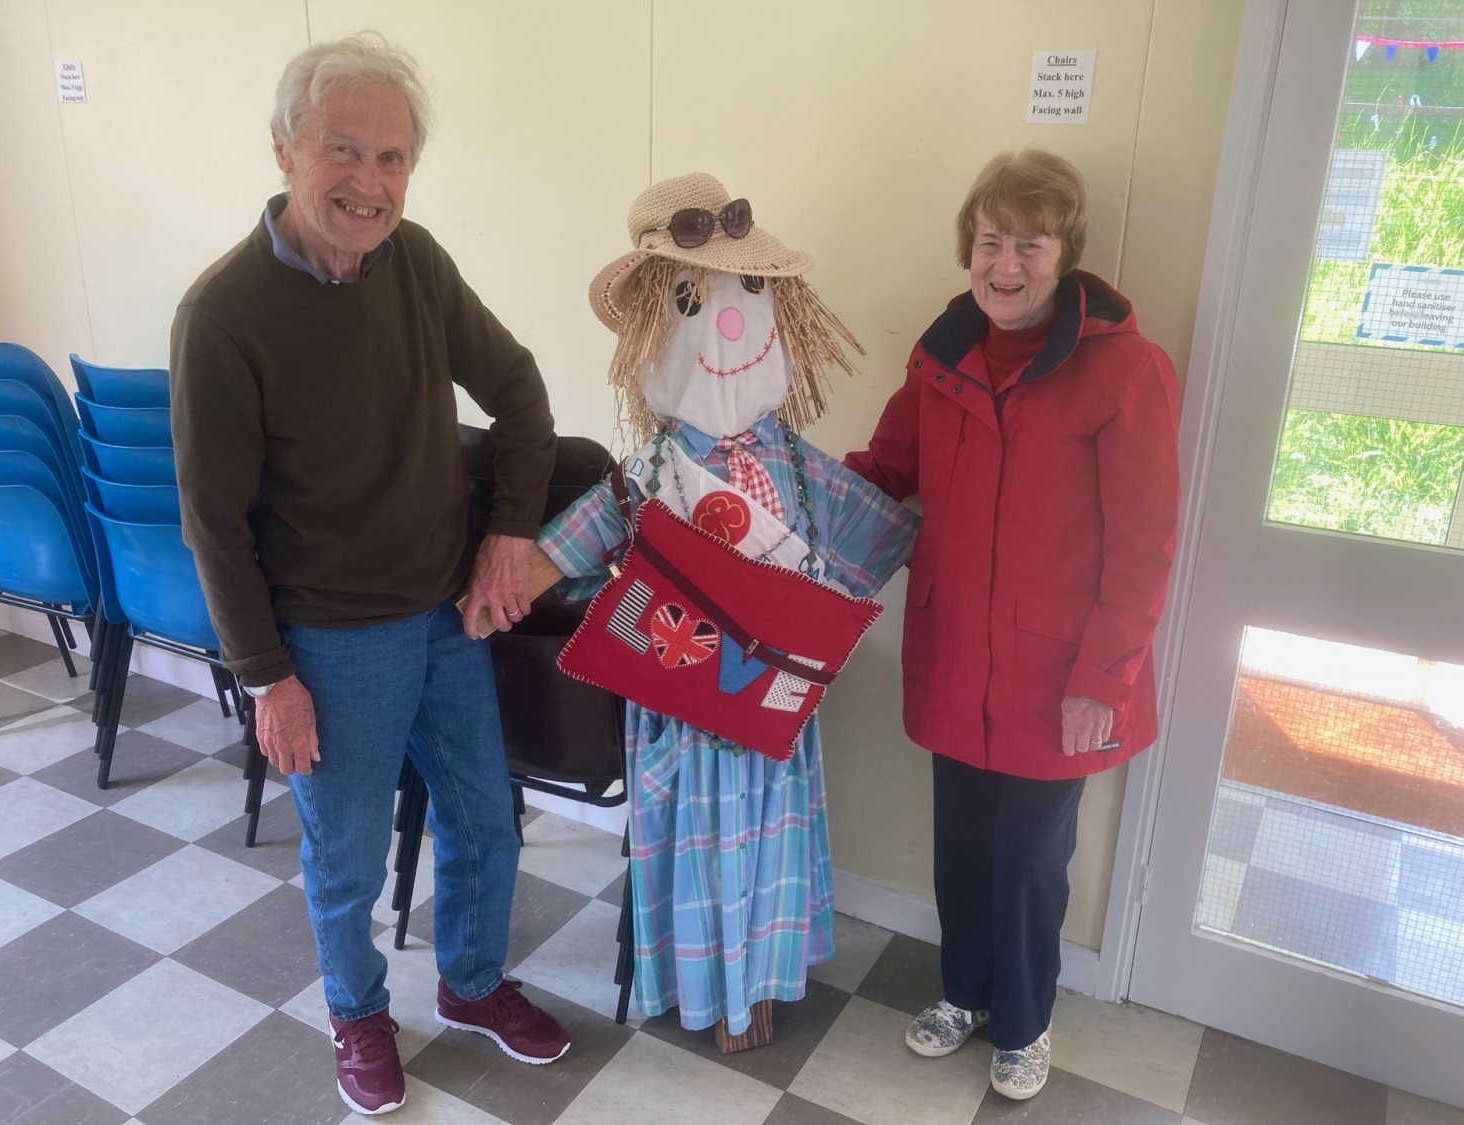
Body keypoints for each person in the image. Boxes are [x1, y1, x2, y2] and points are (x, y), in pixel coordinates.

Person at [170, 34, 566, 1117]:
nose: (369, 182)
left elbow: (523, 396)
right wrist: (267, 676)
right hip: (331, 645)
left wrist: (507, 539)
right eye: (343, 150)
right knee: (344, 857)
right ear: (285, 149)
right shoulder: (224, 315)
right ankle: (358, 1014)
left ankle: (474, 985)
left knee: (486, 821)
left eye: (392, 159)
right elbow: (214, 523)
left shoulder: (419, 263)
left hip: (449, 616)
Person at [537, 173, 918, 1046]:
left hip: (772, 706)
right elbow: (563, 550)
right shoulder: (648, 473)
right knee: (699, 835)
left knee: (768, 833)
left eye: (749, 293)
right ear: (653, 335)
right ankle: (713, 988)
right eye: (694, 302)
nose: (731, 323)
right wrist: (486, 593)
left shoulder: (793, 460)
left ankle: (766, 978)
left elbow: (879, 530)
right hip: (685, 710)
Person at [845, 149, 1181, 1101]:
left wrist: (1103, 681)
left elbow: (1146, 545)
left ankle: (1025, 1019)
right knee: (961, 841)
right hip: (957, 653)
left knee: (1031, 856)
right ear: (969, 251)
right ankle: (963, 991)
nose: (1007, 263)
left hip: (1061, 672)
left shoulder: (1126, 372)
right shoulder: (941, 354)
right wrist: (784, 487)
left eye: (1029, 243)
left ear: (1064, 252)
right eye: (990, 240)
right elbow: (888, 468)